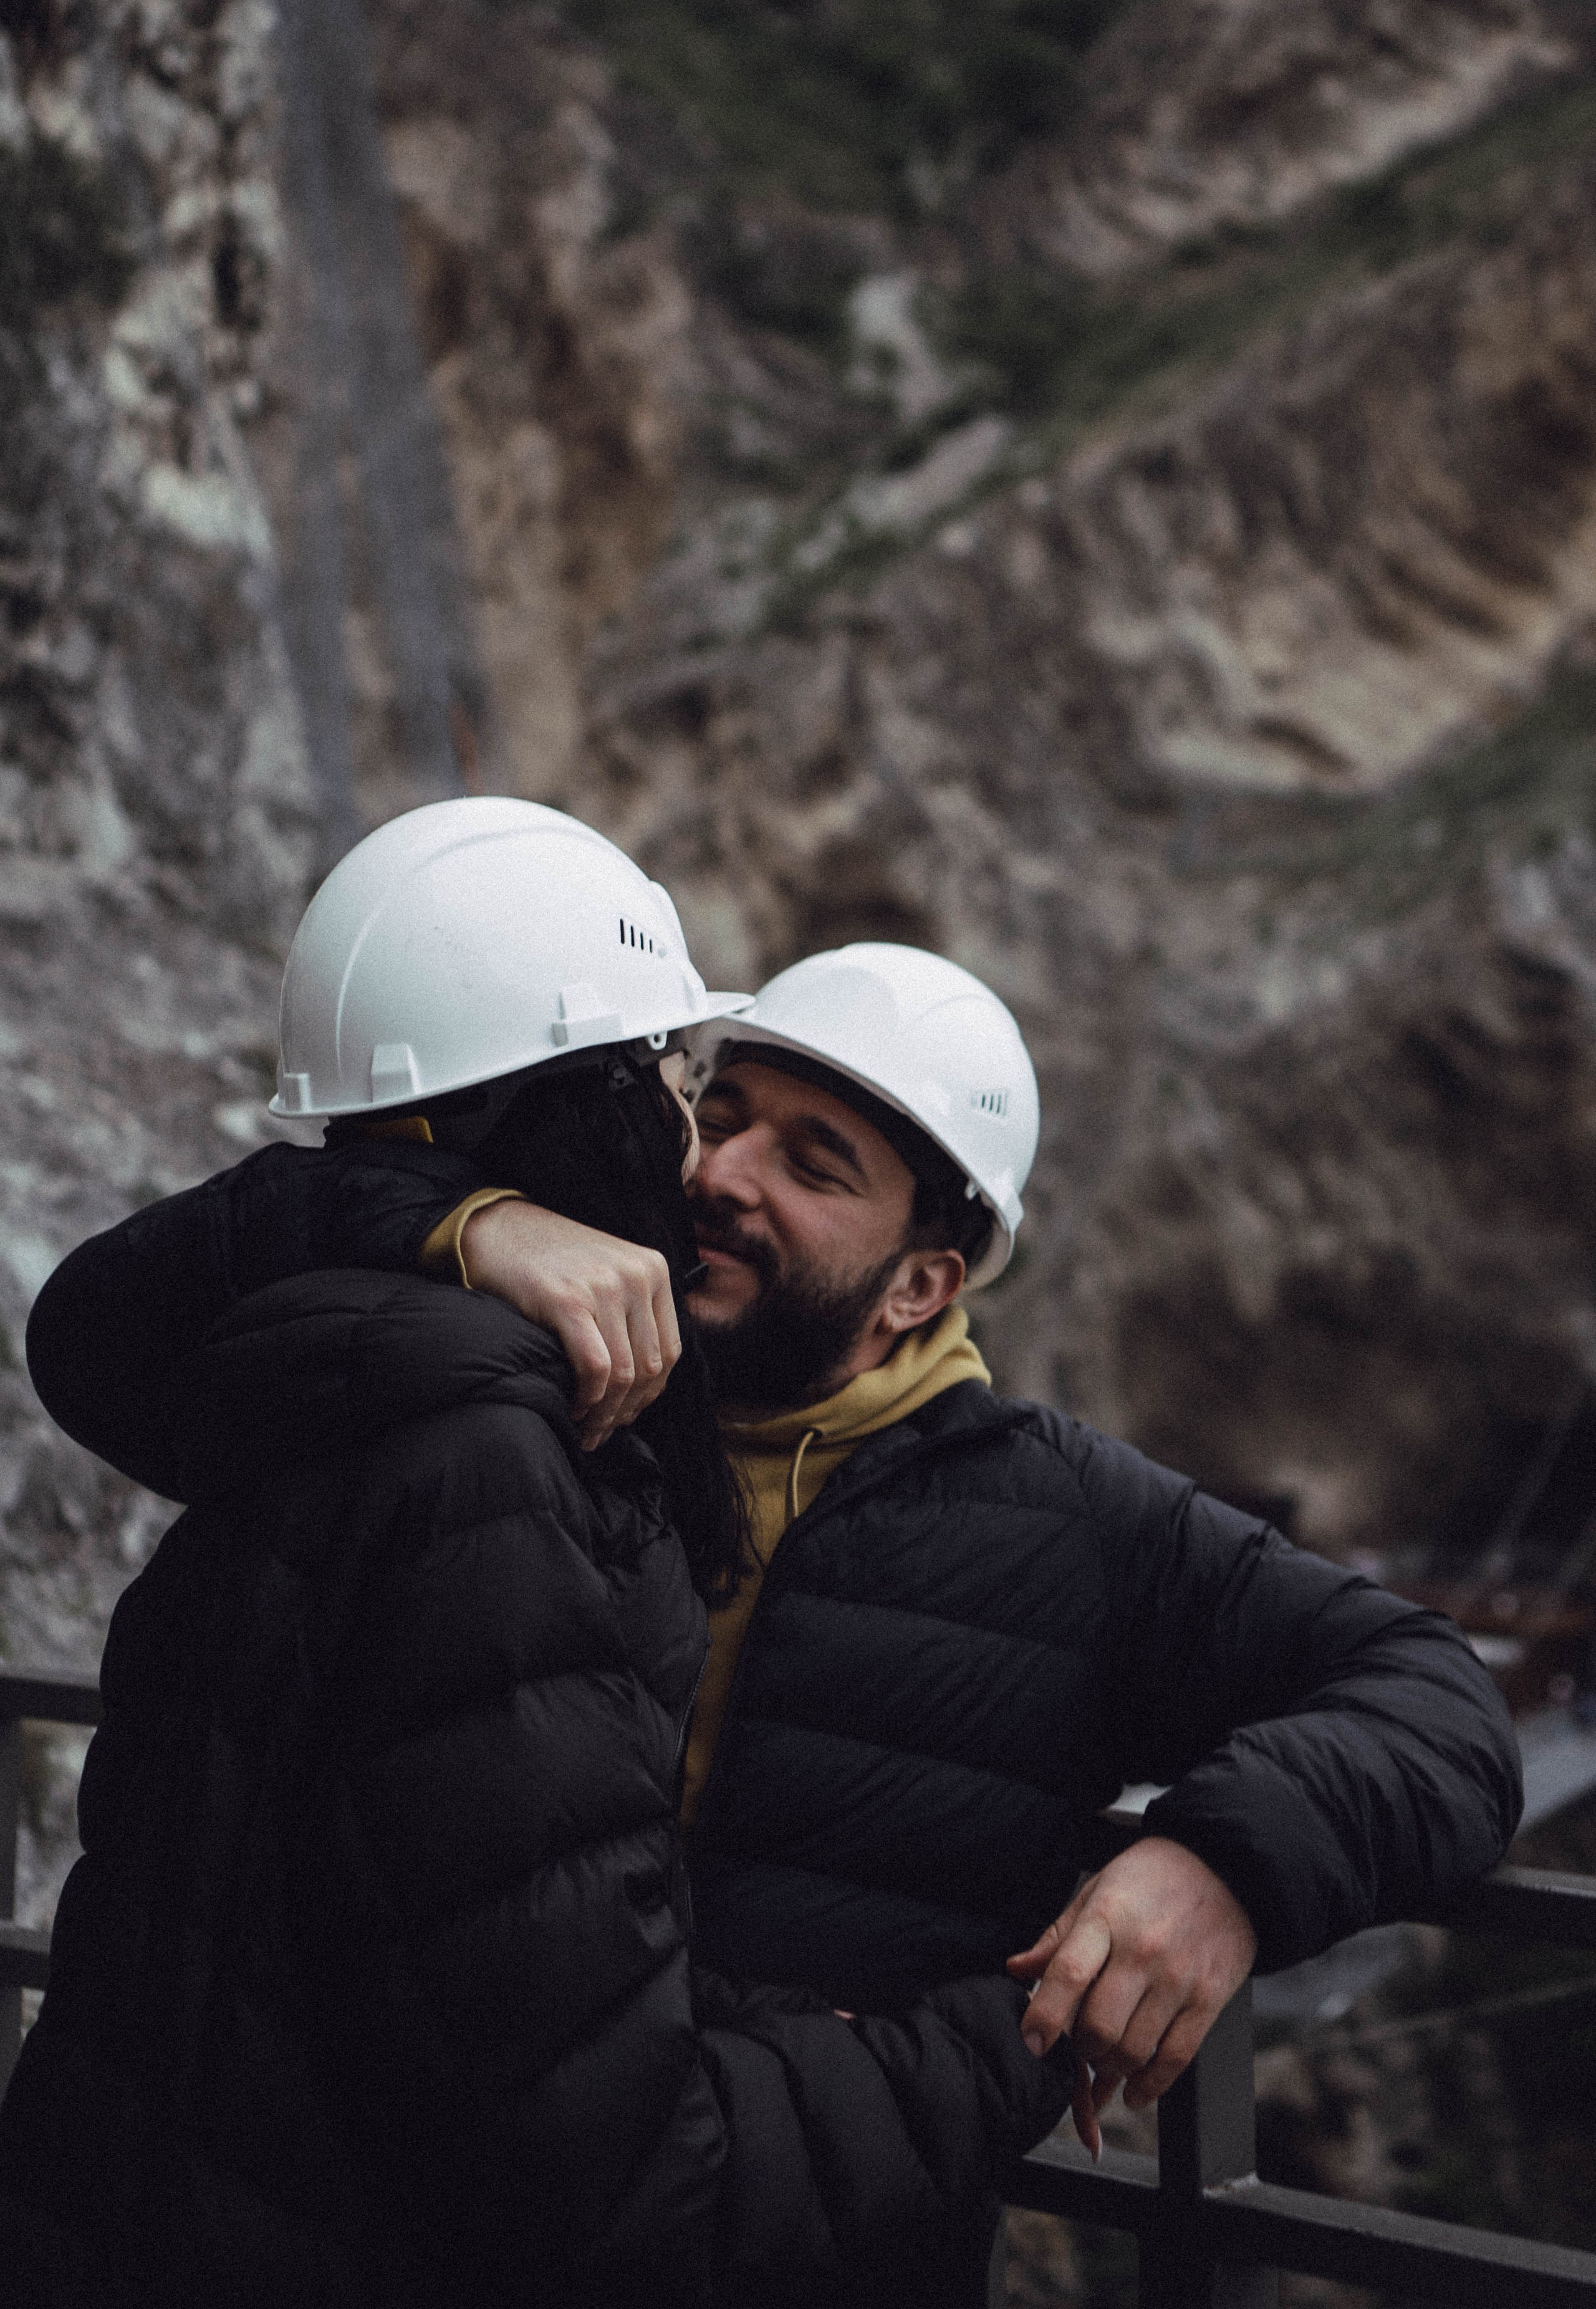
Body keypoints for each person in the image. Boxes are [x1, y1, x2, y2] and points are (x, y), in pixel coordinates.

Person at [26, 894, 1522, 2300]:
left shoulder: (1067, 1523)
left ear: (922, 1286)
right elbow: (113, 1321)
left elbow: (1436, 1700)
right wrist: (455, 1220)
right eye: (721, 1115)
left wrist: (1221, 1864)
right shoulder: (531, 1394)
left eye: (815, 1168)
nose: (725, 1179)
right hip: (429, 2229)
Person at [0, 803, 1075, 2309]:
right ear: (590, 1109)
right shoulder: (490, 1469)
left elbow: (443, 1934)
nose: (696, 1148)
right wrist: (1000, 2042)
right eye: (674, 1083)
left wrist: (456, 1218)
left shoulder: (311, 1380)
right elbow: (627, 2178)